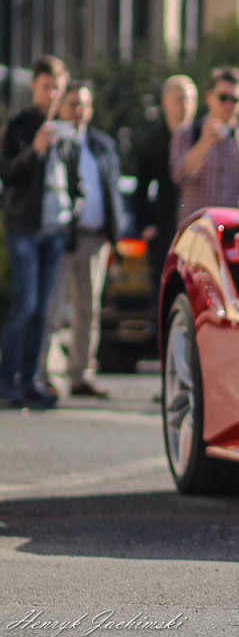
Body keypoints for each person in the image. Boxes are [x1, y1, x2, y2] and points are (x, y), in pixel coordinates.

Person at [43, 82, 126, 398]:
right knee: (54, 307)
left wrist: (114, 230)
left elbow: (112, 188)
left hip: (96, 238)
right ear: (62, 106)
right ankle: (49, 373)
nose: (79, 110)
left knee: (88, 309)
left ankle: (81, 373)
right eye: (73, 103)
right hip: (63, 235)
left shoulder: (101, 144)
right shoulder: (56, 139)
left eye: (84, 105)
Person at [0, 55, 74, 409]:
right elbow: (9, 174)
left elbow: (74, 175)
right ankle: (6, 378)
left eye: (57, 87)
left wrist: (77, 201)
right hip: (24, 227)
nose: (52, 93)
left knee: (43, 309)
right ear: (34, 86)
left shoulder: (64, 126)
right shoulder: (19, 125)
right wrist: (36, 148)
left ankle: (30, 379)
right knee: (26, 303)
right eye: (46, 87)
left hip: (54, 227)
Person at [171, 67, 239, 223]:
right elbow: (179, 174)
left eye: (235, 99)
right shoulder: (188, 133)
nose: (229, 104)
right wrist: (204, 141)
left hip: (233, 235)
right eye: (223, 98)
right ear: (209, 97)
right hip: (196, 232)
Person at [133, 74, 196, 299]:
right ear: (165, 103)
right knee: (162, 295)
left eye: (190, 99)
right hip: (164, 229)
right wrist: (146, 225)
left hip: (195, 228)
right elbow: (140, 189)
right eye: (179, 99)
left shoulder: (201, 139)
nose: (185, 105)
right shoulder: (153, 142)